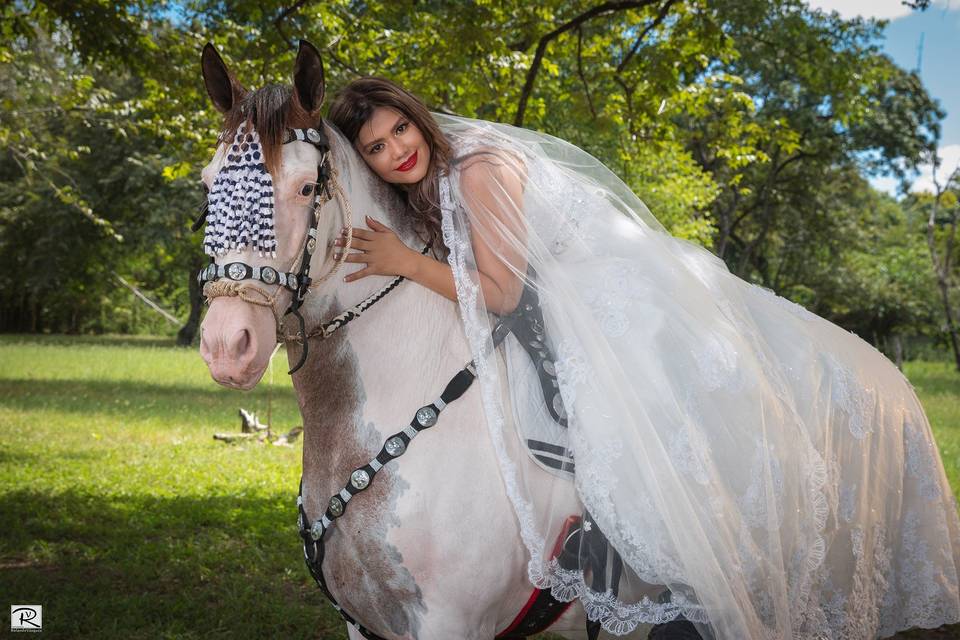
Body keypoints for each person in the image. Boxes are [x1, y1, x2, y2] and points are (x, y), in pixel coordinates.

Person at [327, 77, 960, 639]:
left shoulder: (476, 170)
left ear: (417, 116)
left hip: (594, 296)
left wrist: (406, 263)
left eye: (399, 129)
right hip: (550, 307)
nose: (396, 151)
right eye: (376, 149)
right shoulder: (430, 184)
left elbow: (503, 291)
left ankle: (679, 579)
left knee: (640, 429)